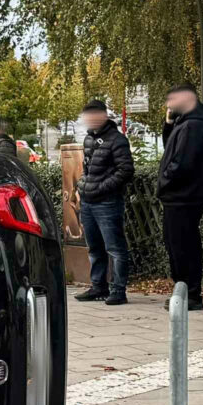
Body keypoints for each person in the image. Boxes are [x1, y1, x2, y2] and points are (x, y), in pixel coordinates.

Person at [156, 84, 203, 309]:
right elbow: (170, 147)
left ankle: (190, 294)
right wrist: (169, 122)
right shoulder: (187, 123)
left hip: (184, 195)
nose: (169, 105)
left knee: (182, 245)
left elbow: (182, 163)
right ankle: (184, 291)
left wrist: (164, 181)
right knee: (177, 244)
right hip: (180, 195)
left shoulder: (194, 126)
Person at [74, 97, 134, 304]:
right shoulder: (89, 139)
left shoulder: (117, 140)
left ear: (103, 116)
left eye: (93, 115)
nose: (89, 120)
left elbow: (126, 171)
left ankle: (118, 290)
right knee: (94, 247)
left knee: (115, 248)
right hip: (88, 202)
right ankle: (98, 286)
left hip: (108, 202)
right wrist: (81, 186)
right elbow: (87, 168)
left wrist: (100, 188)